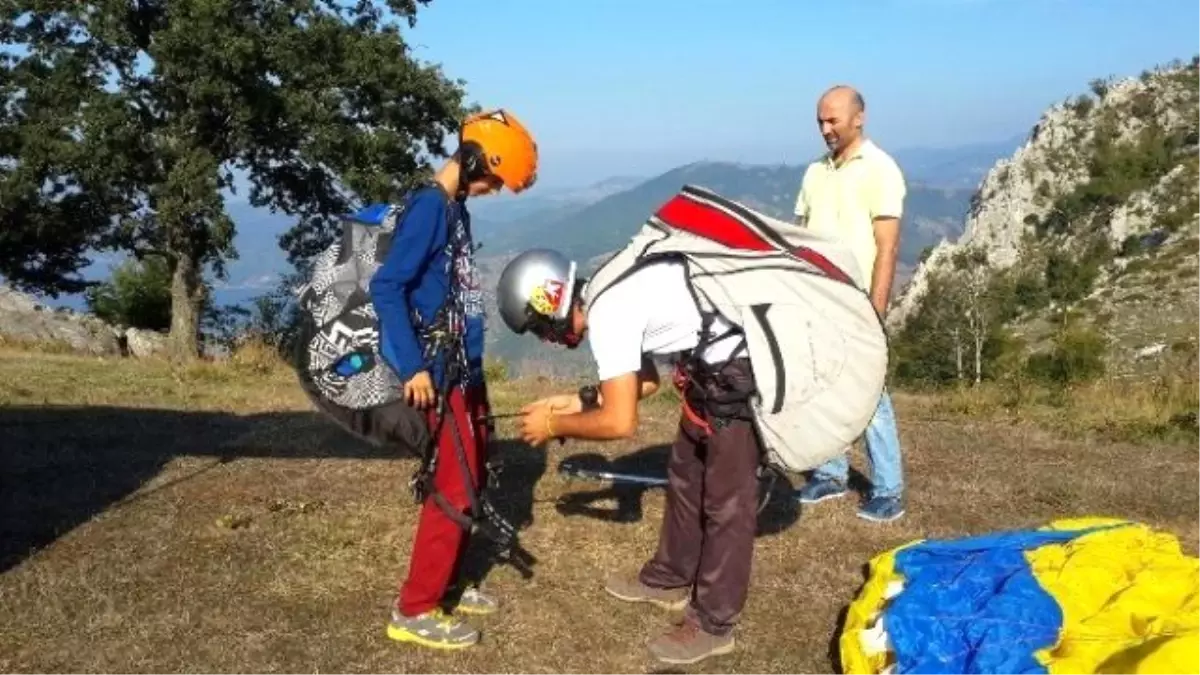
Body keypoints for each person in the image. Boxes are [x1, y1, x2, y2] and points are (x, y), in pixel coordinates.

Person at [299, 109, 539, 650]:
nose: (493, 190)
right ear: (476, 160)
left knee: (471, 471)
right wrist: (413, 369)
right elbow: (389, 288)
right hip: (435, 369)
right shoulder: (431, 208)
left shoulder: (454, 209)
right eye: (493, 179)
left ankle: (448, 580)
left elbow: (450, 289)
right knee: (453, 483)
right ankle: (415, 608)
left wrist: (471, 367)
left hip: (461, 365)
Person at [494, 247, 760, 666]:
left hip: (736, 373)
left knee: (727, 505)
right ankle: (669, 578)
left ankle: (714, 625)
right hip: (711, 371)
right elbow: (648, 380)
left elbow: (620, 422)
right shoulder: (602, 293)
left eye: (541, 329)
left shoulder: (607, 315)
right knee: (685, 478)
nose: (548, 340)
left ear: (551, 305)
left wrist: (552, 427)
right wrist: (572, 403)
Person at [791, 85, 907, 523]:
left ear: (859, 118)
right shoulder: (815, 173)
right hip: (817, 301)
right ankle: (831, 473)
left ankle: (889, 488)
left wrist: (874, 313)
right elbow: (800, 238)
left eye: (832, 121)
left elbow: (888, 247)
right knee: (823, 389)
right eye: (820, 121)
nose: (824, 129)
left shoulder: (881, 169)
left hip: (858, 304)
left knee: (870, 395)